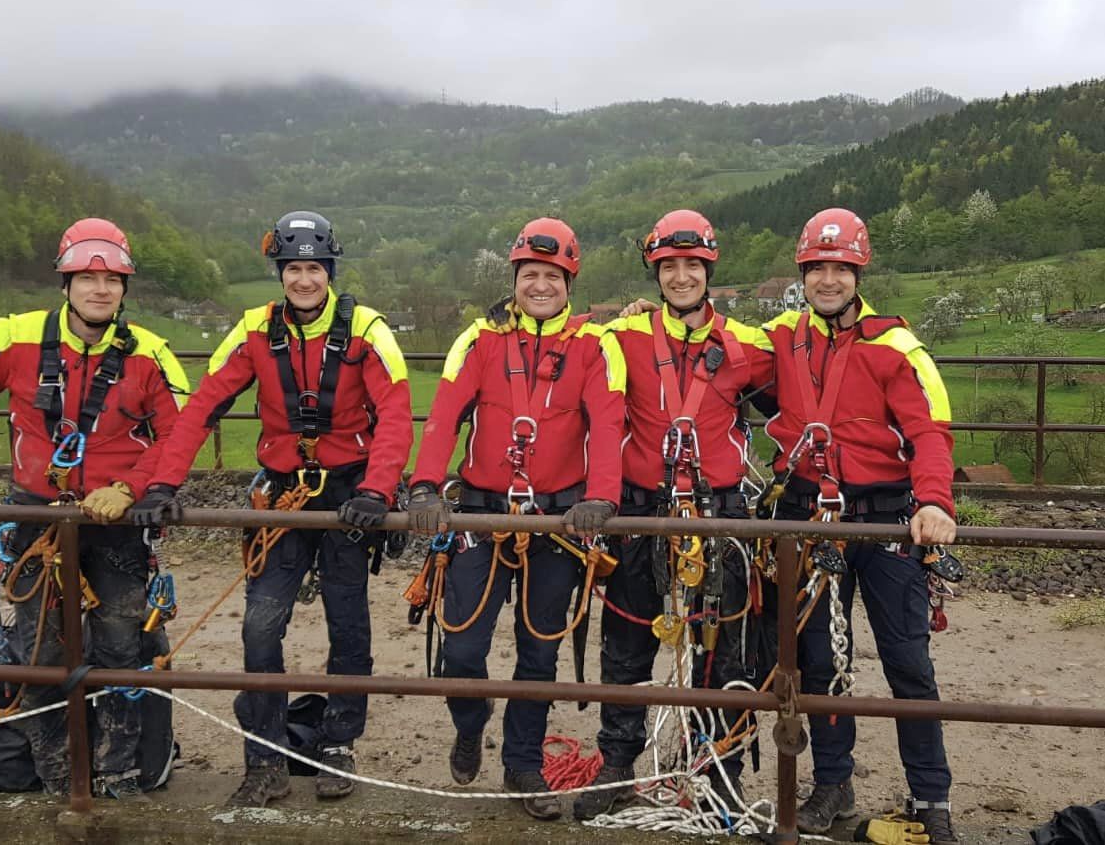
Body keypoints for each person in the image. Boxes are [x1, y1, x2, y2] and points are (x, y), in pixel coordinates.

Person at [0, 218, 190, 798]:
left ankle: (119, 771)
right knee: (39, 650)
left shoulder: (149, 353)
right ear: (66, 281)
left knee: (120, 645)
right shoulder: (11, 337)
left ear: (126, 288)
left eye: (112, 279)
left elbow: (177, 437)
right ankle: (58, 774)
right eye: (87, 277)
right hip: (36, 515)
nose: (100, 289)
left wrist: (131, 488)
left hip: (115, 521)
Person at [129, 210, 413, 807]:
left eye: (313, 268)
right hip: (282, 493)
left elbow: (394, 415)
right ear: (280, 273)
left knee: (349, 623)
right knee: (261, 624)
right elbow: (203, 406)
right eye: (293, 269)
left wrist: (377, 490)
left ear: (329, 271)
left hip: (349, 494)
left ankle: (338, 747)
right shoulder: (254, 330)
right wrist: (163, 484)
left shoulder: (367, 329)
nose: (304, 280)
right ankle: (263, 757)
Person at [407, 217, 626, 822]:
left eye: (552, 276)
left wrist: (601, 497)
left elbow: (608, 425)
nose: (540, 285)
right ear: (515, 278)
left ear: (569, 281)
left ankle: (523, 764)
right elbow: (446, 413)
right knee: (462, 647)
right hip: (481, 513)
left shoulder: (594, 344)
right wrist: (426, 485)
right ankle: (470, 722)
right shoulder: (478, 339)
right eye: (530, 274)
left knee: (539, 653)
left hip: (558, 520)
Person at [762, 208, 958, 844]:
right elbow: (712, 348)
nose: (827, 278)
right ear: (803, 272)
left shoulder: (895, 347)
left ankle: (931, 796)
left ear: (857, 271)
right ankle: (832, 784)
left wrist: (934, 502)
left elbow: (929, 429)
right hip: (811, 521)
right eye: (816, 267)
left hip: (887, 521)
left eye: (838, 268)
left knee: (908, 663)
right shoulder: (781, 339)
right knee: (820, 663)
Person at [574, 210, 775, 821]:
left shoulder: (748, 346)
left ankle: (719, 774)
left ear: (708, 269)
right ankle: (616, 765)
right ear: (655, 272)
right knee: (627, 644)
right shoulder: (622, 338)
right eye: (670, 267)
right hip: (643, 509)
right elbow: (565, 335)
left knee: (727, 653)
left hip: (720, 514)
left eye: (692, 265)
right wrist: (612, 314)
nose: (682, 276)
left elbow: (805, 372)